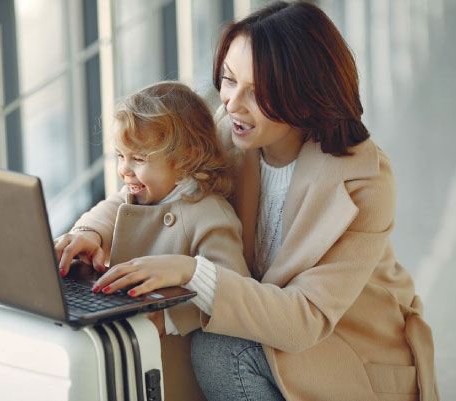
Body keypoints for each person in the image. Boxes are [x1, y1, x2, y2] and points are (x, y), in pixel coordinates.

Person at [58, 2, 440, 400]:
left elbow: (304, 319)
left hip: (345, 351)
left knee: (218, 348)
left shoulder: (365, 180)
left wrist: (192, 273)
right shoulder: (232, 134)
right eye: (228, 79)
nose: (231, 103)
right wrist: (90, 231)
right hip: (266, 329)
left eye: (257, 92)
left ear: (304, 96)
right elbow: (153, 187)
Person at [54, 81, 249, 401]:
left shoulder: (209, 214)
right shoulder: (142, 191)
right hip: (131, 346)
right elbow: (112, 207)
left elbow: (232, 290)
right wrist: (88, 233)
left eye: (139, 159)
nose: (124, 171)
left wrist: (169, 317)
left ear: (186, 159)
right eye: (120, 156)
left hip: (172, 362)